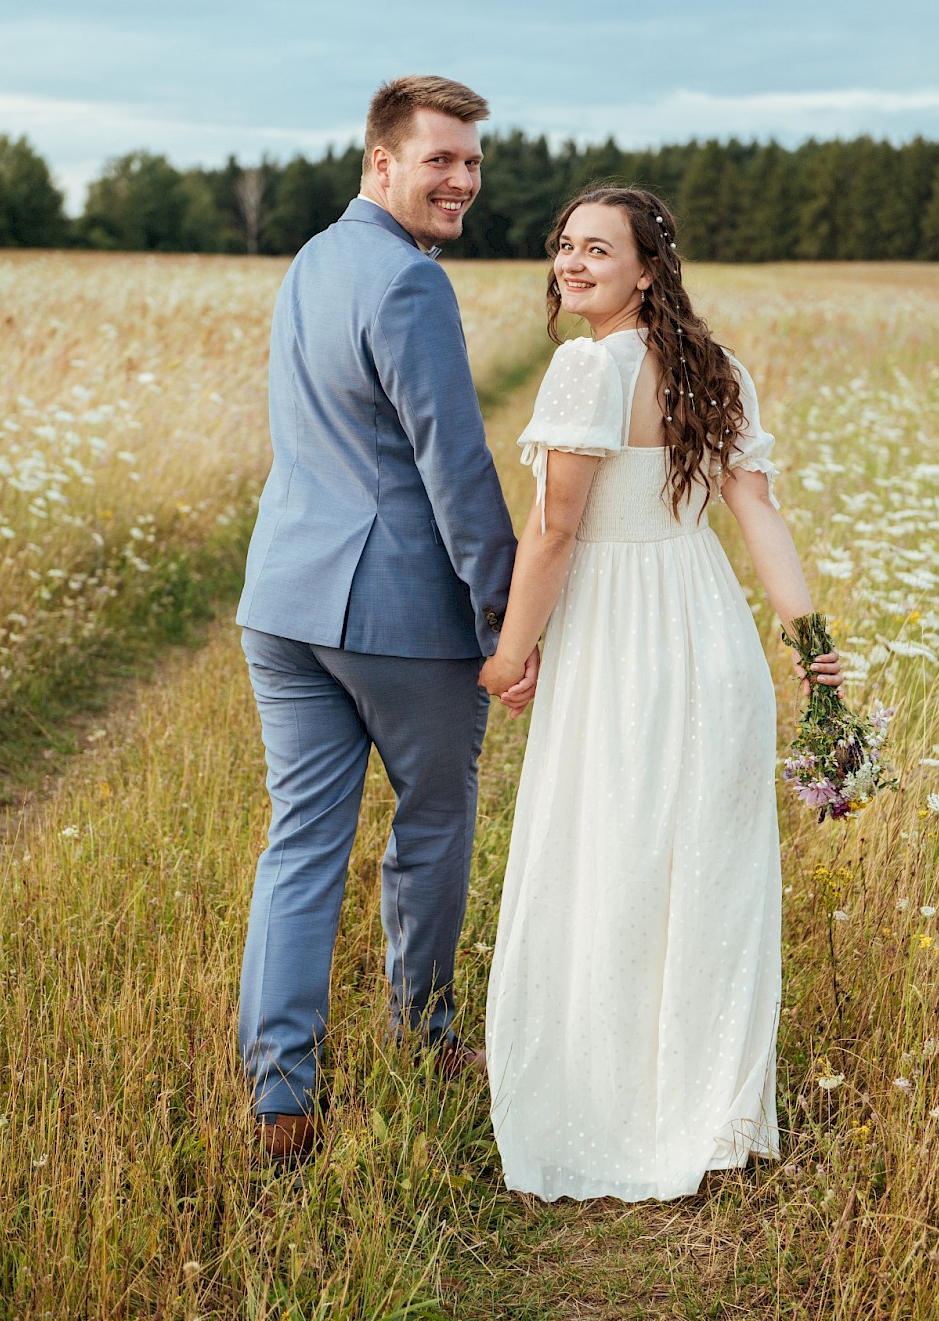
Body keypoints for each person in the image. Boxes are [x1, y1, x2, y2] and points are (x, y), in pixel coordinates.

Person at [482, 186, 842, 1202]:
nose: (571, 262)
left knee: (606, 854)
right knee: (696, 869)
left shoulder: (585, 367)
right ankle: (697, 1106)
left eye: (597, 248)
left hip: (618, 638)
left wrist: (510, 655)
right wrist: (801, 629)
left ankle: (608, 1105)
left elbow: (554, 531)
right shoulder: (712, 367)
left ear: (647, 267)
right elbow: (756, 515)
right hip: (705, 626)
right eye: (563, 246)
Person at [236, 75, 536, 1162]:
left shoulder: (316, 257)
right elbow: (453, 467)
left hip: (284, 598)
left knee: (301, 839)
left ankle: (281, 1095)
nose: (460, 180)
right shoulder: (409, 284)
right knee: (432, 824)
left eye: (471, 162)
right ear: (381, 162)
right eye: (439, 160)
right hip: (396, 613)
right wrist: (508, 624)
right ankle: (425, 1032)